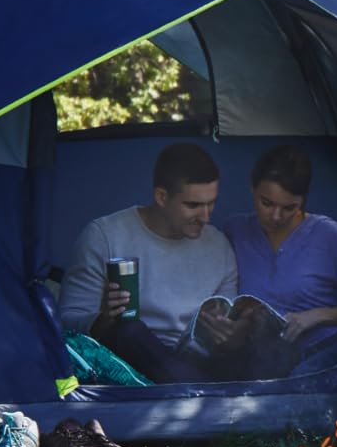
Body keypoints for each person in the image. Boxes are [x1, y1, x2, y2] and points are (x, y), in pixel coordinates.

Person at [58, 142, 242, 384]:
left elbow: (227, 326)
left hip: (195, 357)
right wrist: (102, 319)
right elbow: (66, 324)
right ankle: (197, 391)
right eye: (193, 205)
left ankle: (194, 388)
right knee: (129, 331)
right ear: (161, 197)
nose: (206, 217)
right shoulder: (105, 235)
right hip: (132, 356)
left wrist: (228, 335)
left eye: (211, 203)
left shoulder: (219, 246)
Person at [213, 144, 337, 376]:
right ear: (252, 189)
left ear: (303, 201)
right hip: (260, 354)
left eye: (289, 208)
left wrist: (318, 316)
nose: (276, 216)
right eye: (267, 203)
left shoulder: (329, 235)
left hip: (319, 353)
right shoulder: (236, 231)